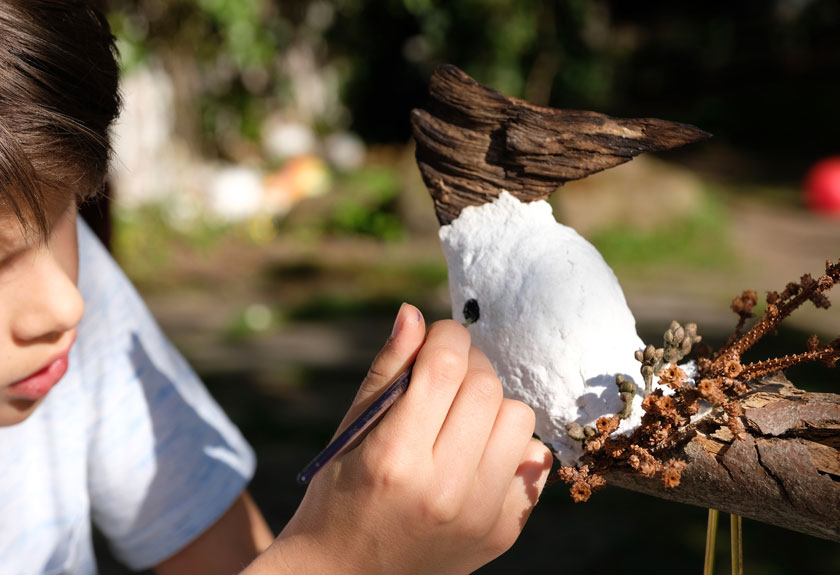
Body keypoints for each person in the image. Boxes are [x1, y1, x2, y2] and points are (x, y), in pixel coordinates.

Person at [0, 1, 552, 573]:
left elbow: (226, 556)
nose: (68, 304)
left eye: (67, 212)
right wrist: (341, 561)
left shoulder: (64, 318)